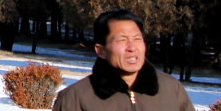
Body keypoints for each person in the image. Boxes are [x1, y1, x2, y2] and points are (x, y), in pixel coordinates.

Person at [51, 9, 194, 111]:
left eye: (137, 39)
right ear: (101, 50)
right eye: (122, 40)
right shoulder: (76, 98)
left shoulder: (171, 90)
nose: (132, 47)